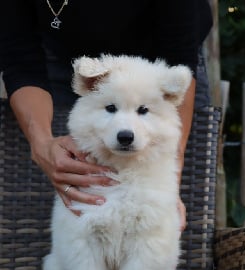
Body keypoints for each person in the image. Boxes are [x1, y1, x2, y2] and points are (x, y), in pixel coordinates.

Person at [0, 0, 213, 230]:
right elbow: (20, 59)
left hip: (160, 66)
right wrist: (42, 145)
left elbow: (178, 55)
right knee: (60, 201)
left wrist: (171, 179)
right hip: (64, 58)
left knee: (165, 211)